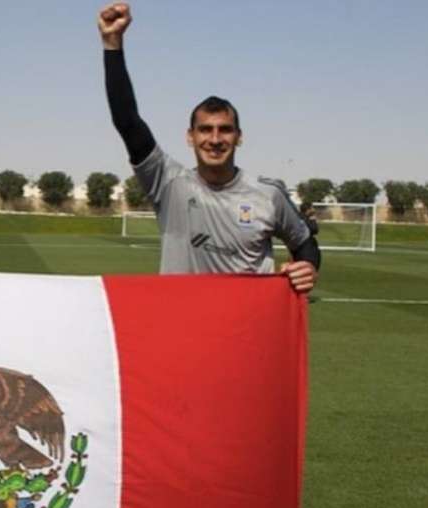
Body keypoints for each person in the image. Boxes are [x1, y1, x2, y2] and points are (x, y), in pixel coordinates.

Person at [98, 3, 319, 293]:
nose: (215, 139)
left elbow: (304, 243)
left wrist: (308, 266)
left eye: (225, 130)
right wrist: (112, 44)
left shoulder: (268, 194)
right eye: (205, 129)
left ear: (239, 137)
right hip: (184, 327)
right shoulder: (168, 183)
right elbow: (127, 121)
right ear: (190, 137)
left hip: (242, 330)